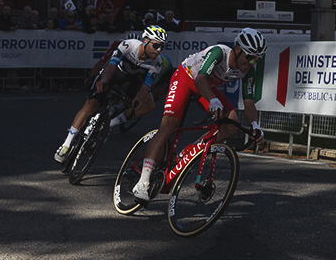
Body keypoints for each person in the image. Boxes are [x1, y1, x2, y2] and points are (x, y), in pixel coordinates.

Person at [131, 28, 267, 202]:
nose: (251, 62)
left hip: (205, 88)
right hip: (186, 78)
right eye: (249, 56)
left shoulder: (249, 71)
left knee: (232, 122)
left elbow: (249, 102)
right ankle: (142, 183)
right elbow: (200, 79)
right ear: (238, 49)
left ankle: (189, 153)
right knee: (168, 127)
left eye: (256, 59)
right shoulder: (219, 53)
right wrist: (213, 101)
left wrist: (255, 125)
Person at [54, 25, 170, 163]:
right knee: (91, 104)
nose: (158, 50)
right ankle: (66, 144)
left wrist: (138, 99)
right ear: (145, 41)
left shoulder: (157, 62)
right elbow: (110, 67)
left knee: (149, 104)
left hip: (131, 81)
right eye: (156, 45)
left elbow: (144, 88)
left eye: (161, 47)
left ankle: (110, 124)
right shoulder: (129, 45)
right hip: (115, 74)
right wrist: (103, 80)